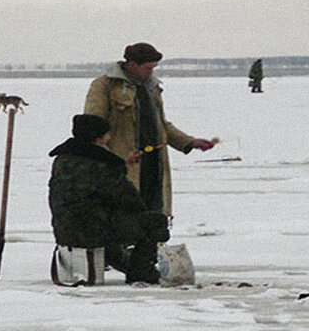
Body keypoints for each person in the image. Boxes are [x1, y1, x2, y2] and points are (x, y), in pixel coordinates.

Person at [84, 42, 216, 218]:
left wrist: (189, 142)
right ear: (132, 65)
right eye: (148, 68)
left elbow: (162, 125)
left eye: (154, 68)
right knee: (124, 214)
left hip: (153, 163)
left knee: (153, 216)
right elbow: (93, 126)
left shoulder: (151, 87)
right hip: (124, 164)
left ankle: (151, 244)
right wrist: (109, 159)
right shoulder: (104, 85)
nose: (151, 72)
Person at [49, 114, 170, 284]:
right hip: (91, 231)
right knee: (154, 222)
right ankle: (141, 272)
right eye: (106, 134)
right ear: (98, 139)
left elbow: (88, 186)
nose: (109, 137)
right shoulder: (104, 163)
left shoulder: (61, 160)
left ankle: (128, 265)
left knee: (101, 222)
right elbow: (128, 199)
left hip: (64, 229)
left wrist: (120, 165)